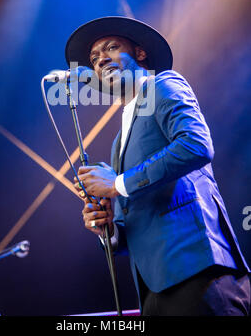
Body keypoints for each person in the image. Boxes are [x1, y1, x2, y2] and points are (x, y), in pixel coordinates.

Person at [65, 16, 251, 316]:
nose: (101, 60)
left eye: (111, 47)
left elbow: (196, 144)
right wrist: (109, 227)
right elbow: (135, 222)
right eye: (94, 58)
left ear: (140, 54)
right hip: (153, 289)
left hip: (196, 268)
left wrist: (116, 184)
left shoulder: (162, 84)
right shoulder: (117, 143)